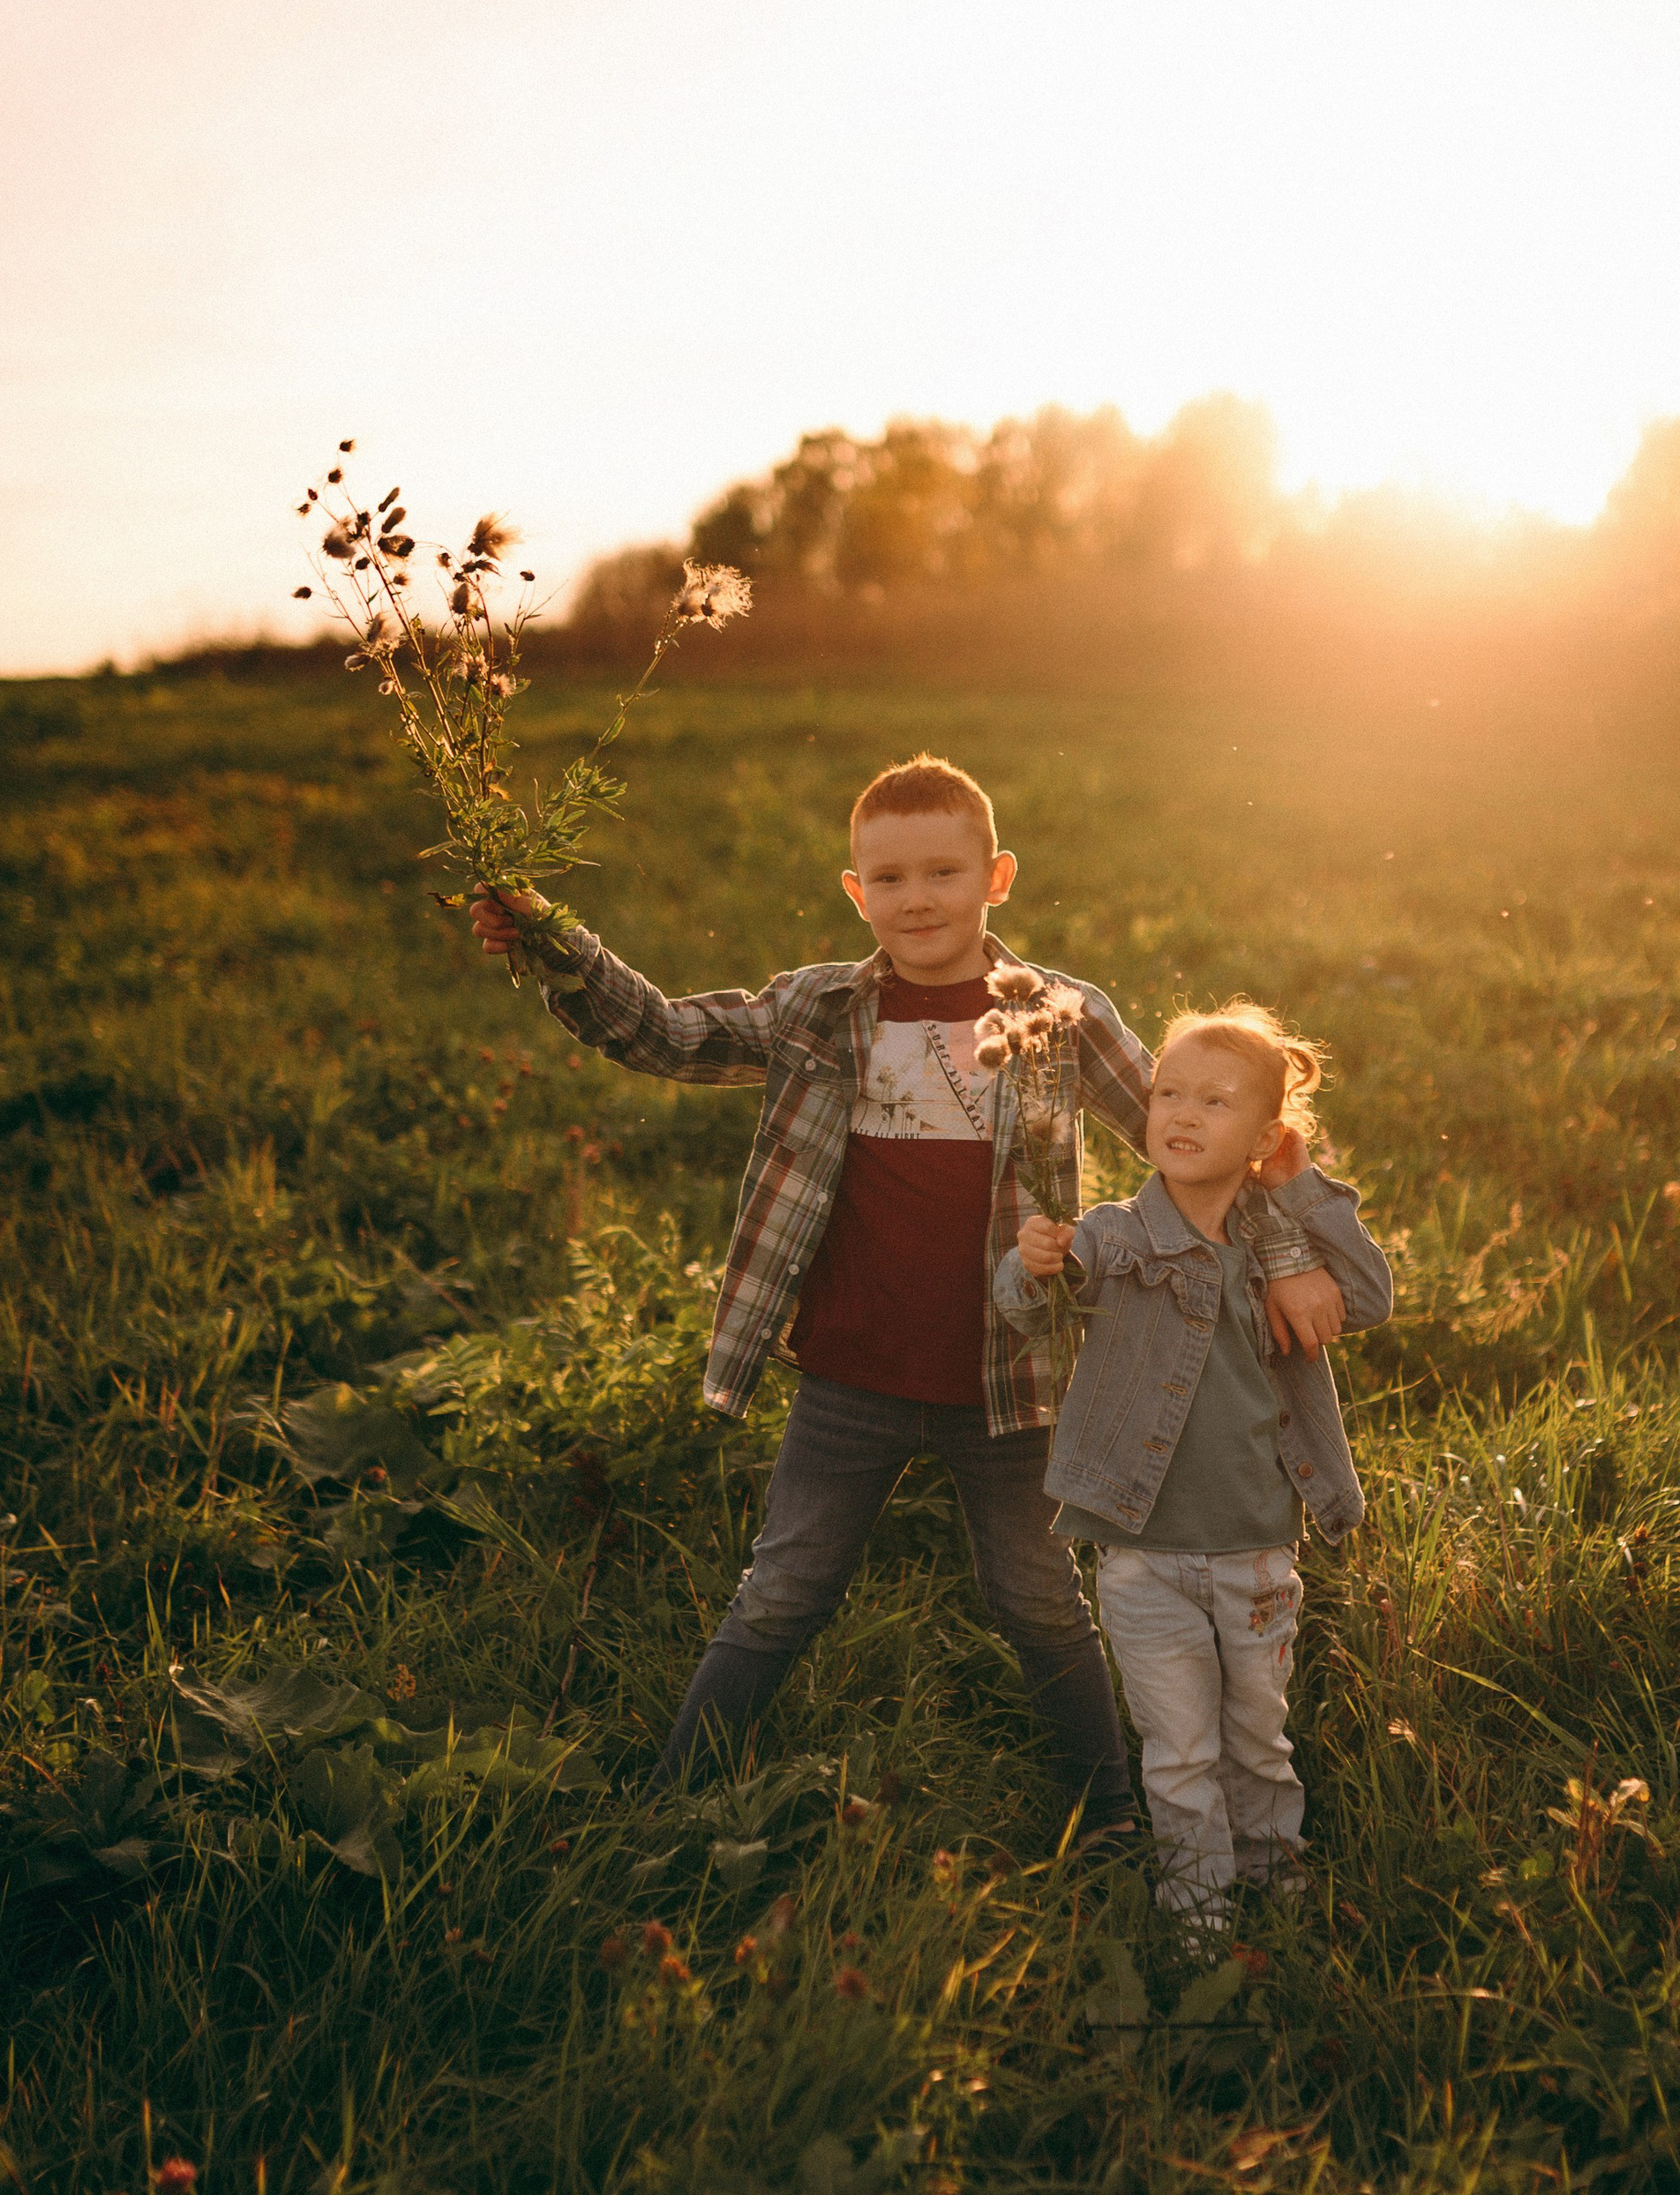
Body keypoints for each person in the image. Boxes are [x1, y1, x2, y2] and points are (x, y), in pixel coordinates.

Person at [467, 756, 1345, 1830]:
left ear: (997, 876)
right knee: (781, 1591)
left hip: (1012, 1384)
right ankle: (670, 1800)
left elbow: (1200, 1146)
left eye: (943, 871)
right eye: (889, 878)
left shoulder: (1059, 1016)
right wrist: (559, 944)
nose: (916, 898)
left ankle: (1110, 1818)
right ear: (854, 891)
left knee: (1036, 1602)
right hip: (850, 1374)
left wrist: (1290, 1251)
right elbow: (670, 1034)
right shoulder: (817, 1007)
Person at [996, 1001, 1391, 1929]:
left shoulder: (1279, 1247)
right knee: (1176, 1749)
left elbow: (1368, 1295)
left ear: (1262, 1137)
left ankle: (1273, 1884)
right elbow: (1024, 1308)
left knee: (1257, 1739)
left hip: (1255, 1550)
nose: (1181, 1111)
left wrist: (1297, 1183)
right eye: (1168, 1091)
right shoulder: (1113, 1235)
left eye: (1214, 1102)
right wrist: (1030, 1262)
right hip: (1141, 1552)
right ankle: (1199, 1919)